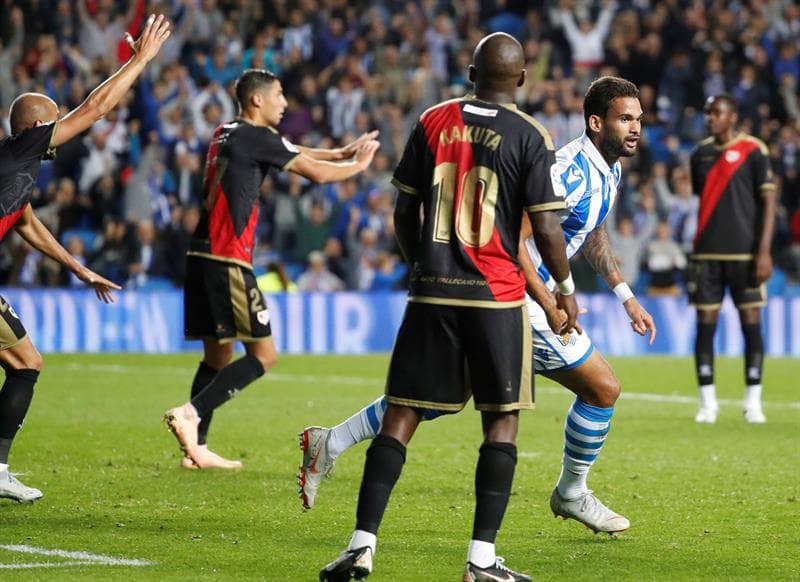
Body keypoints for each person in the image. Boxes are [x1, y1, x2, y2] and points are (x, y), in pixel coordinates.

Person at [302, 77, 655, 544]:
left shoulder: (607, 169)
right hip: (521, 301)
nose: (635, 128)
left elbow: (590, 232)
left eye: (638, 119)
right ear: (596, 122)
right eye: (625, 118)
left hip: (513, 298)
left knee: (444, 392)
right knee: (602, 388)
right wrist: (548, 301)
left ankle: (331, 441)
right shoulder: (568, 168)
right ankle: (570, 493)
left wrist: (625, 295)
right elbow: (517, 238)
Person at [318, 33, 578, 582]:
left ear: (469, 72)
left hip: (433, 291)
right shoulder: (532, 135)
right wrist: (565, 289)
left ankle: (360, 547)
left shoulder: (433, 120)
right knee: (501, 422)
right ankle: (480, 562)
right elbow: (548, 227)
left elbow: (402, 211)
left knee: (401, 414)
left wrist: (420, 267)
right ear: (523, 80)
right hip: (498, 297)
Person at [163, 69, 380, 470]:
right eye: (279, 95)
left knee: (217, 355)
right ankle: (190, 415)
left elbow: (288, 149)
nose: (285, 102)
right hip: (228, 257)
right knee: (264, 355)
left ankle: (197, 450)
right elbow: (312, 173)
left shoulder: (226, 132)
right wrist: (358, 166)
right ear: (257, 100)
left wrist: (340, 151)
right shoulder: (256, 137)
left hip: (201, 255)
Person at [0, 14, 171, 502]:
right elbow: (95, 109)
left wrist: (80, 269)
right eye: (54, 120)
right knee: (26, 363)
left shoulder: (14, 169)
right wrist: (140, 61)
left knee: (23, 361)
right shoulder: (22, 147)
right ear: (37, 127)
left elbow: (28, 225)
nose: (60, 127)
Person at [688, 94, 776, 424]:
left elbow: (768, 203)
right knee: (705, 327)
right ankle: (707, 402)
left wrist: (764, 250)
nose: (711, 118)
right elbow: (704, 198)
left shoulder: (755, 151)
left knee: (751, 325)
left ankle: (753, 401)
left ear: (732, 116)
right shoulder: (699, 154)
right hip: (706, 253)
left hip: (746, 254)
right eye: (708, 112)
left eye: (717, 112)